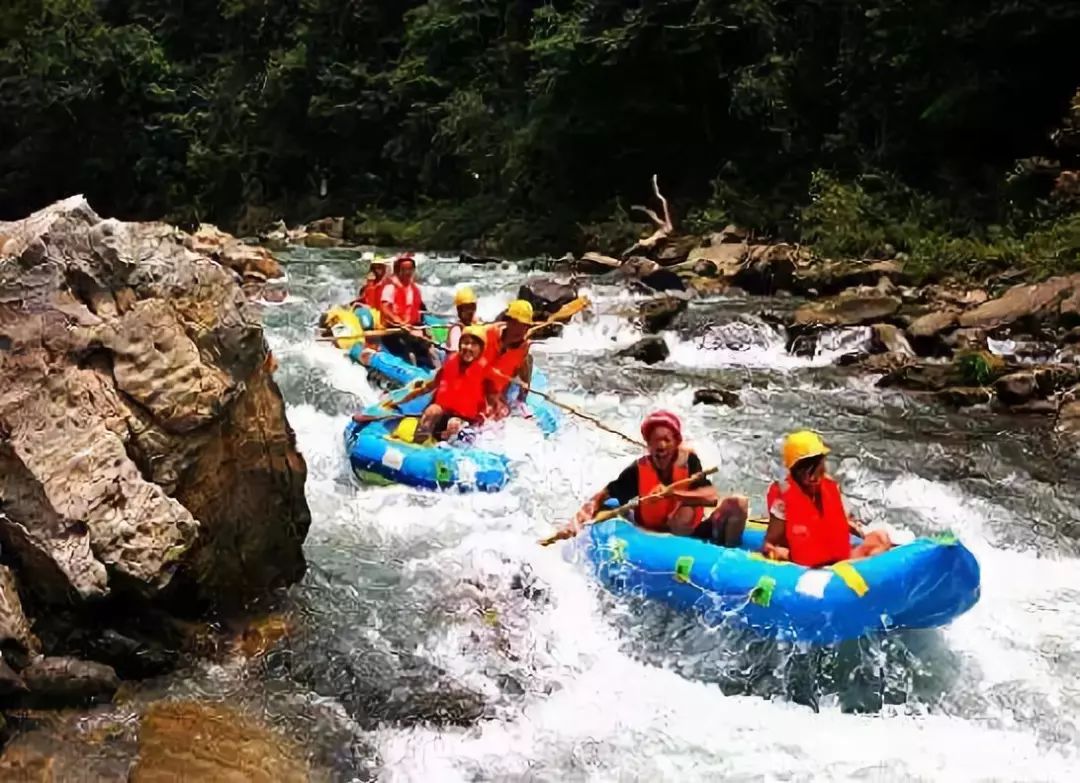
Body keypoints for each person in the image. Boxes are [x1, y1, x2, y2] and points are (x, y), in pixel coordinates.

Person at [565, 410, 748, 544]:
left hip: (689, 531)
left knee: (738, 503)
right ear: (648, 444)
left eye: (667, 440)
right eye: (655, 441)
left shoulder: (689, 462)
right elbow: (604, 496)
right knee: (681, 517)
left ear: (676, 443)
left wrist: (672, 494)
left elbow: (711, 498)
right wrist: (579, 519)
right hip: (655, 535)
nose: (661, 446)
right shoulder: (638, 470)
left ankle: (728, 553)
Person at [763, 431, 892, 566]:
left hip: (839, 560)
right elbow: (770, 543)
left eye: (815, 466)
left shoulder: (829, 486)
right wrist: (779, 554)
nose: (811, 476)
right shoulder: (783, 500)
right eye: (804, 468)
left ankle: (855, 576)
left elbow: (836, 519)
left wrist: (852, 526)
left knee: (881, 538)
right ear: (793, 469)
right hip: (804, 564)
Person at [373, 325, 495, 443]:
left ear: (481, 349)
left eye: (473, 344)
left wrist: (487, 421)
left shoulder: (487, 373)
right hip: (442, 413)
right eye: (465, 343)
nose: (468, 347)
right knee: (433, 410)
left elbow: (493, 403)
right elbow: (427, 387)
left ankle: (446, 449)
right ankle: (420, 443)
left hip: (466, 420)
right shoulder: (451, 363)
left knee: (454, 424)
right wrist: (401, 401)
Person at [379, 254, 437, 368]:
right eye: (404, 269)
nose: (407, 272)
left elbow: (420, 309)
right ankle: (414, 372)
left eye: (410, 269)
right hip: (395, 328)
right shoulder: (390, 288)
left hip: (413, 326)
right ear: (398, 270)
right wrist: (399, 322)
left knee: (429, 345)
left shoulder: (415, 289)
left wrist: (425, 327)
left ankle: (437, 370)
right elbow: (385, 307)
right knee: (409, 346)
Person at [483, 299, 535, 419]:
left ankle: (521, 402)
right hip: (480, 386)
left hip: (499, 389)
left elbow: (519, 370)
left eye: (526, 326)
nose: (522, 330)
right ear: (509, 322)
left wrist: (523, 393)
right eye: (518, 324)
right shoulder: (489, 334)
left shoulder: (524, 345)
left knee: (528, 360)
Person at [446, 287, 481, 352]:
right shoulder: (456, 330)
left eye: (472, 307)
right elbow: (455, 353)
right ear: (459, 310)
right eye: (467, 308)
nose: (471, 312)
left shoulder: (478, 325)